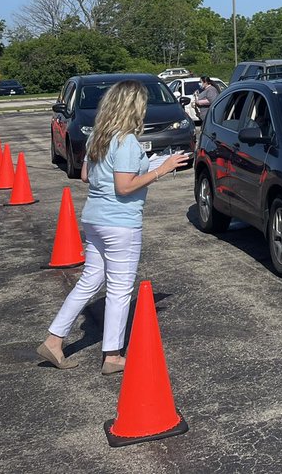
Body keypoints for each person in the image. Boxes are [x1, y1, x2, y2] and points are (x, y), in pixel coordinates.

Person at [36, 80, 188, 373]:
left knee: (90, 281)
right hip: (121, 223)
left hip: (95, 219)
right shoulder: (127, 141)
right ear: (133, 108)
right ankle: (113, 355)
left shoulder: (97, 138)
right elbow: (124, 186)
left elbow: (84, 176)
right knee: (119, 290)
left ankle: (54, 340)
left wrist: (149, 163)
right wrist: (160, 169)